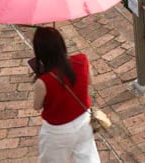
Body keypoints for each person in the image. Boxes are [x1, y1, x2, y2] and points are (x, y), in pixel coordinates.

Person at [31, 27, 100, 163]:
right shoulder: (82, 60)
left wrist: (40, 74)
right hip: (84, 121)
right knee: (87, 158)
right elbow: (90, 80)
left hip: (57, 131)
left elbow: (36, 106)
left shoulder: (43, 81)